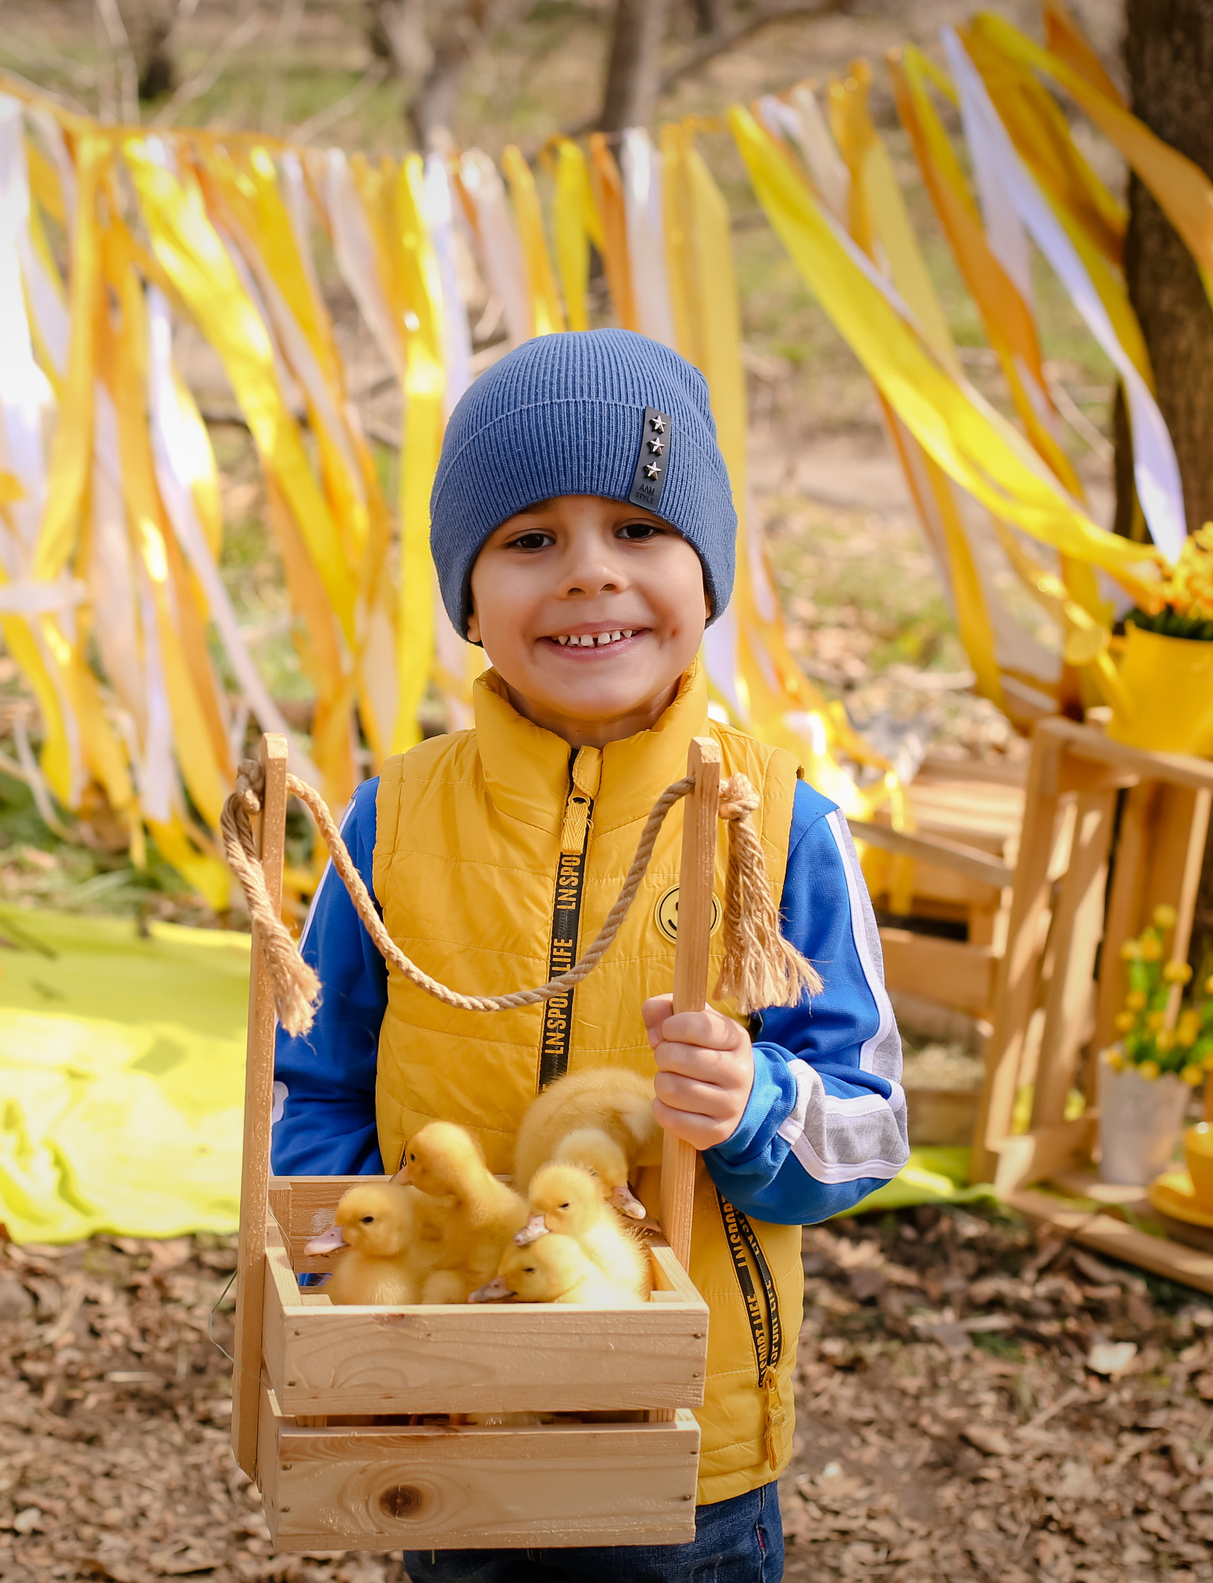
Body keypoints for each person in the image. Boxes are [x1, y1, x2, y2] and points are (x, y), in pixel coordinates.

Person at [272, 329, 909, 1582]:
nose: (585, 576)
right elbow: (316, 1080)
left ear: (707, 572)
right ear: (467, 596)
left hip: (686, 1425)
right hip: (454, 1393)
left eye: (636, 530)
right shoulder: (390, 821)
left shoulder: (776, 829)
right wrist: (361, 1279)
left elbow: (874, 1124)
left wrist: (759, 1105)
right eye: (527, 541)